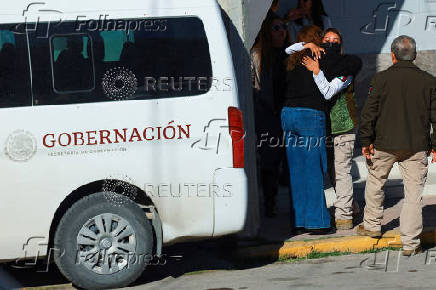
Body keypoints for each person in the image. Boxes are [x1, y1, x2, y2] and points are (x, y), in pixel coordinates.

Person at [358, 35, 436, 256]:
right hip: (416, 145)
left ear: (393, 55)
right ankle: (411, 243)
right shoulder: (429, 81)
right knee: (413, 194)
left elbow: (369, 113)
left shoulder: (380, 79)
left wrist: (366, 141)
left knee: (375, 182)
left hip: (384, 143)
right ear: (415, 55)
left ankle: (372, 226)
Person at [282, 25, 358, 234]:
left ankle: (299, 221)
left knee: (296, 171)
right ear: (319, 41)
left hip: (288, 114)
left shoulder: (293, 59)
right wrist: (316, 65)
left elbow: (286, 50)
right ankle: (317, 222)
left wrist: (305, 45)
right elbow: (354, 63)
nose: (329, 45)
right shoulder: (325, 57)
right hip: (309, 115)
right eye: (326, 40)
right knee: (314, 169)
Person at [251, 12, 290, 217]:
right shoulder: (258, 55)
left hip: (288, 112)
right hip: (266, 114)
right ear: (268, 31)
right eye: (276, 28)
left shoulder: (291, 54)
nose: (281, 31)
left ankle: (296, 207)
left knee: (290, 161)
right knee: (269, 161)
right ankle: (269, 203)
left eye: (283, 27)